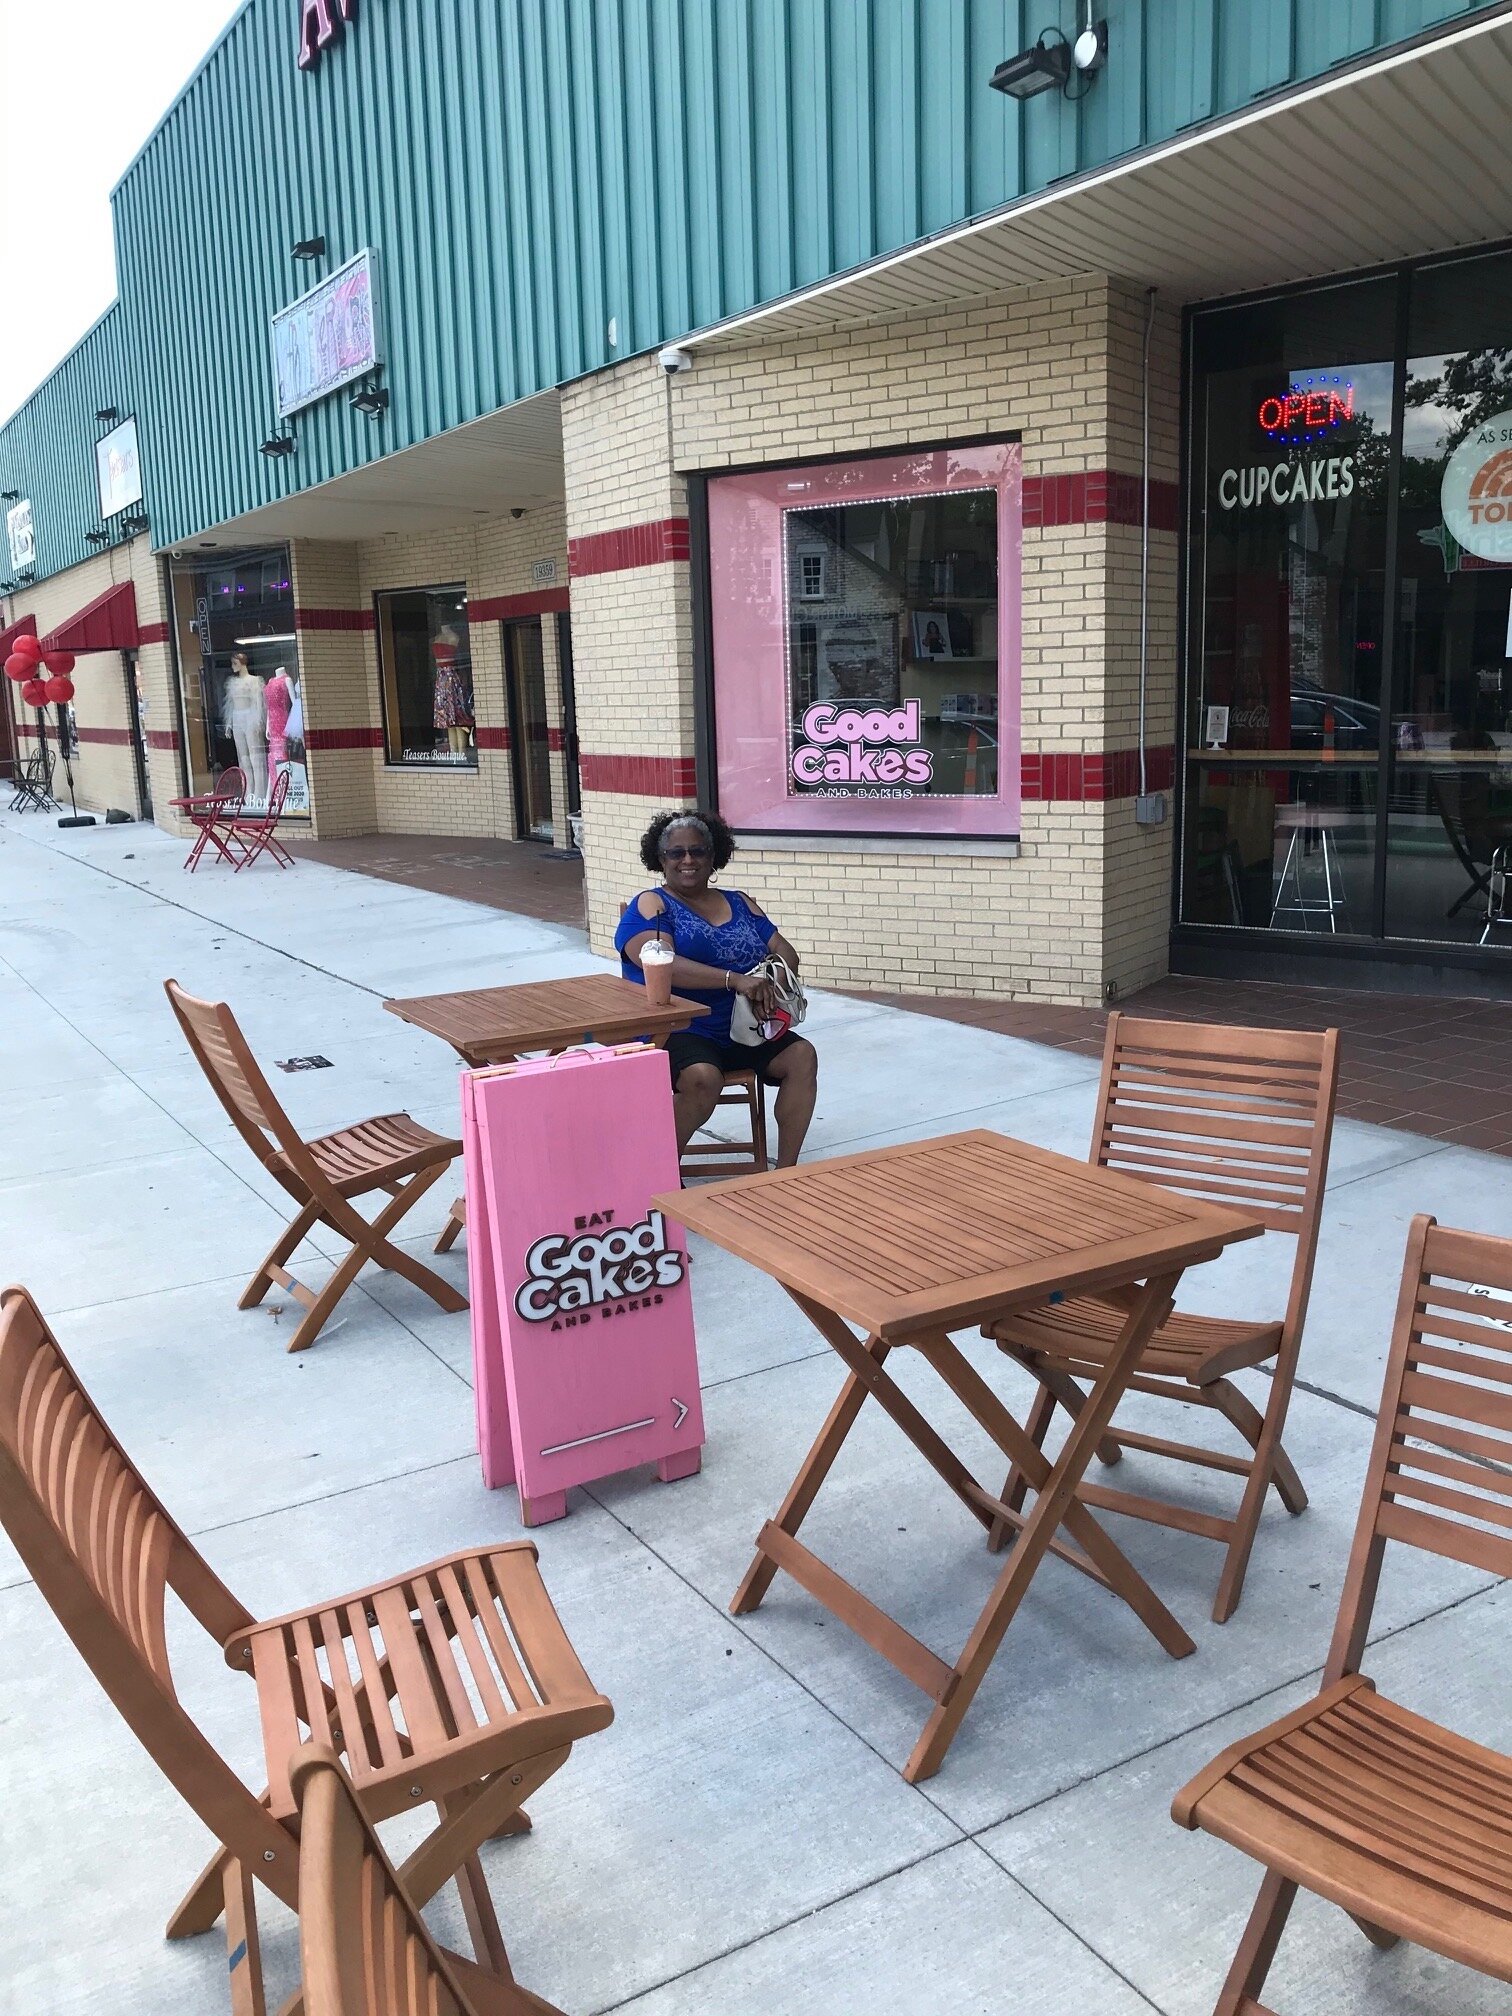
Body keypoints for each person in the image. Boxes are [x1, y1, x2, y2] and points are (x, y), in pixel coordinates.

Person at [616, 809, 818, 1167]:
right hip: (680, 1029)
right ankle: (660, 1170)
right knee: (702, 1079)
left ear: (714, 857)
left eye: (698, 851)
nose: (688, 860)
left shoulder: (739, 902)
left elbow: (786, 953)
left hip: (745, 1027)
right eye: (676, 853)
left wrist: (766, 985)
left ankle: (785, 1173)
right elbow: (658, 962)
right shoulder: (654, 905)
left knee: (802, 1057)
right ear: (661, 859)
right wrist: (735, 979)